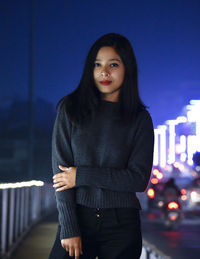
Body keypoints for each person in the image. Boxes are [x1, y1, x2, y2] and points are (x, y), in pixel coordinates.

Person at [49, 33, 154, 259]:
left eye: (113, 64)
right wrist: (68, 228)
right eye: (97, 65)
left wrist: (81, 175)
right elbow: (61, 176)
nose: (104, 72)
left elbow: (138, 179)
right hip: (78, 217)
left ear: (128, 68)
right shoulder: (70, 110)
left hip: (122, 226)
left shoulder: (140, 119)